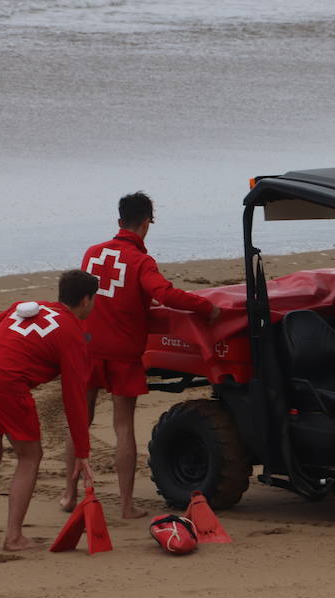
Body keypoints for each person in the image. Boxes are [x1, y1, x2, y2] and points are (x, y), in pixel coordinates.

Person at [60, 191, 220, 519]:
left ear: (119, 221)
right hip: (122, 353)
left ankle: (67, 494)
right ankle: (126, 505)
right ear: (147, 223)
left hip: (86, 347)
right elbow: (163, 293)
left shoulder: (91, 254)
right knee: (123, 428)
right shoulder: (141, 261)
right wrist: (206, 307)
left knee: (80, 421)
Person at [0, 269, 99, 552]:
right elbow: (74, 398)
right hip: (6, 385)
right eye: (94, 300)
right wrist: (82, 453)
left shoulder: (25, 307)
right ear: (85, 300)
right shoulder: (72, 334)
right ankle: (13, 537)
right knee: (30, 455)